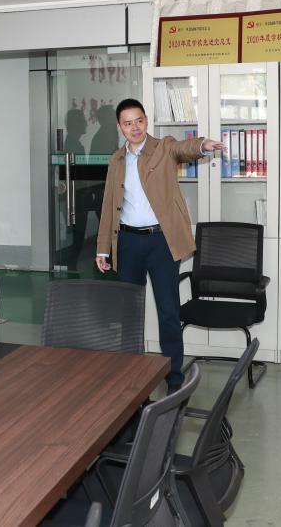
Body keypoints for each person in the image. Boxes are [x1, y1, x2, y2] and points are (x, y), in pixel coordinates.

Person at [95, 98, 225, 388]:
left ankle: (173, 377)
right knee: (128, 312)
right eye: (128, 123)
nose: (135, 128)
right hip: (127, 242)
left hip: (161, 243)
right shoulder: (116, 160)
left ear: (146, 120)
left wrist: (202, 145)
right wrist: (103, 248)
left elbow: (183, 148)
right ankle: (129, 373)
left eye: (139, 121)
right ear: (120, 127)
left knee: (168, 311)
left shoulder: (163, 147)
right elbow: (109, 204)